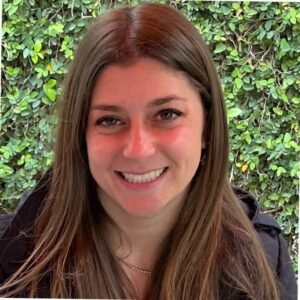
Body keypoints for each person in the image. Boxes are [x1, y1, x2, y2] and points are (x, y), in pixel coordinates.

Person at [0, 3, 297, 299]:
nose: (139, 150)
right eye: (110, 120)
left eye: (167, 114)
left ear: (207, 127)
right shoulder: (16, 261)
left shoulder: (262, 260)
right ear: (80, 135)